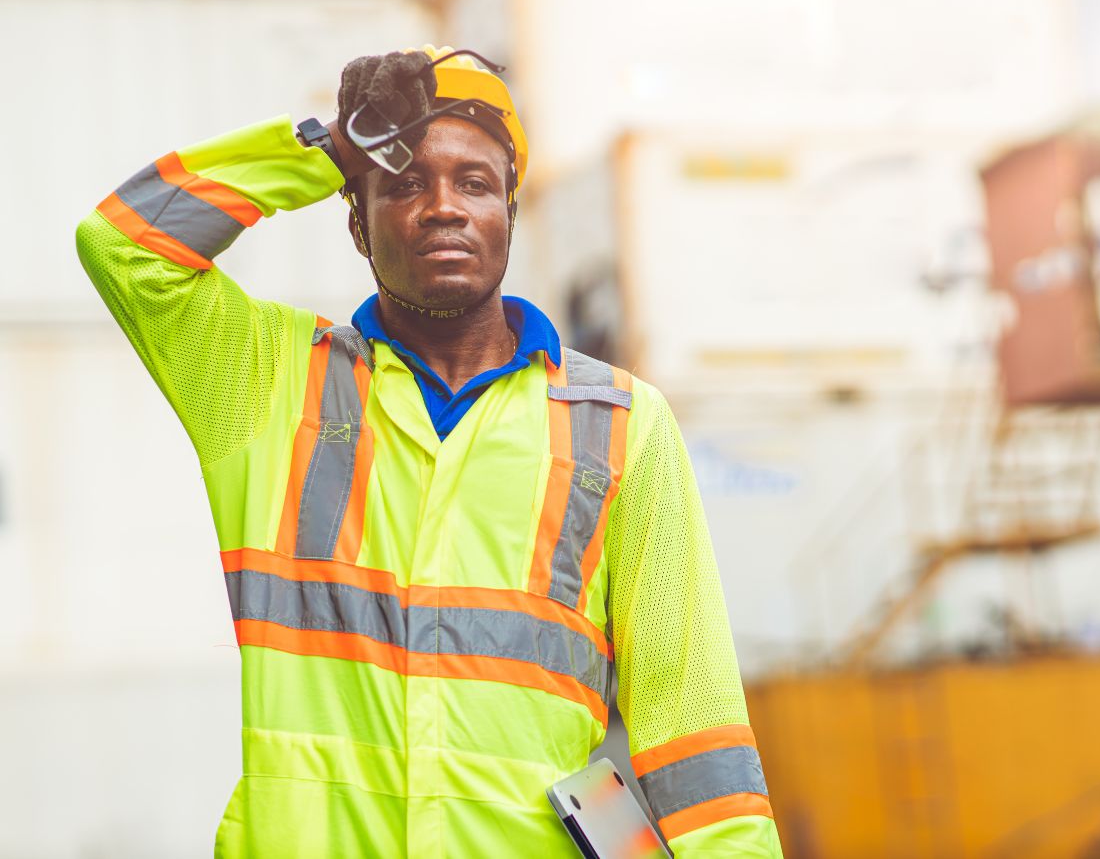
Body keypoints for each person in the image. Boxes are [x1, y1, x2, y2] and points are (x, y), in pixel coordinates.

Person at [76, 45, 783, 858]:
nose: (443, 206)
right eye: (406, 183)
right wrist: (326, 148)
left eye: (476, 183)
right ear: (355, 221)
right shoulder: (268, 382)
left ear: (509, 216)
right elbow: (121, 246)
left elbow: (691, 721)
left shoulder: (621, 424)